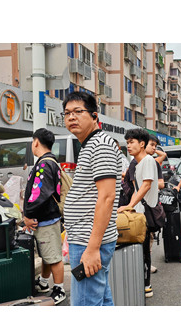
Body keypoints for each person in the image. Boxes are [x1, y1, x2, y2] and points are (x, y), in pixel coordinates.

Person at [62, 91, 122, 306]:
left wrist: (92, 248)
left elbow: (107, 197)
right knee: (101, 300)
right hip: (86, 237)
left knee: (86, 304)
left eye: (78, 112)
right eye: (67, 113)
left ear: (95, 116)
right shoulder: (91, 144)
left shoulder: (100, 145)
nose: (71, 117)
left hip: (89, 240)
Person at [23, 128, 65, 305]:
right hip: (49, 217)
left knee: (53, 256)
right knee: (48, 253)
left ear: (36, 142)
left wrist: (27, 214)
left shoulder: (43, 164)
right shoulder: (51, 161)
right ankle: (44, 281)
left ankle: (59, 289)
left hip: (46, 219)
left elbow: (39, 193)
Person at [117, 128, 158, 298]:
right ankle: (139, 282)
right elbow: (136, 190)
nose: (129, 145)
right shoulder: (136, 163)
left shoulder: (148, 160)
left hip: (147, 213)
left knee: (145, 251)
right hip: (139, 213)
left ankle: (147, 285)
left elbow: (147, 185)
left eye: (132, 142)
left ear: (142, 144)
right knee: (139, 249)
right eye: (127, 142)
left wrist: (129, 205)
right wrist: (129, 207)